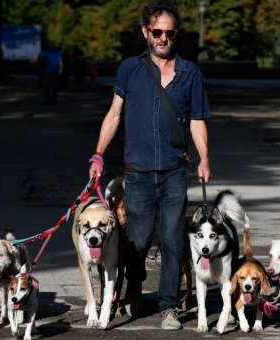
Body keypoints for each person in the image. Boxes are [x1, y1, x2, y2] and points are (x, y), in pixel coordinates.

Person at [87, 1, 211, 331]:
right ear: (146, 32)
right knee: (137, 240)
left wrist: (204, 158)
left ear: (176, 35)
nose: (163, 37)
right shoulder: (130, 69)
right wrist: (99, 154)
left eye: (169, 32)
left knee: (172, 240)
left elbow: (197, 121)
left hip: (173, 170)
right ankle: (135, 288)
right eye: (157, 32)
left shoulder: (190, 73)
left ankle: (169, 306)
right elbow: (114, 115)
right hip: (137, 171)